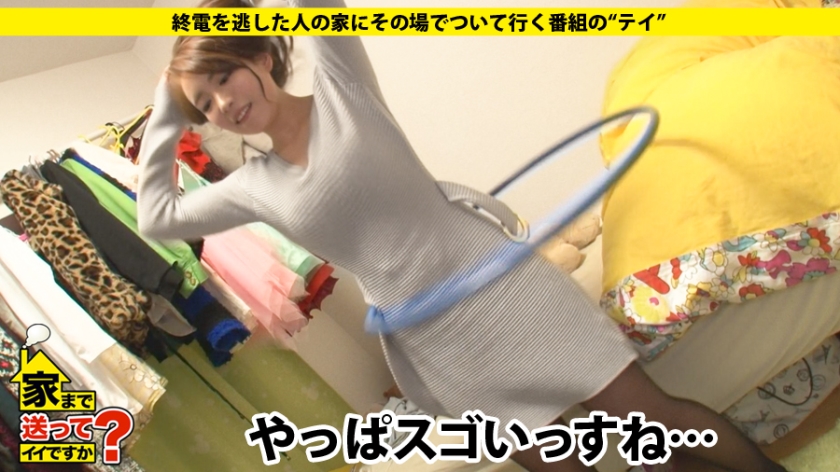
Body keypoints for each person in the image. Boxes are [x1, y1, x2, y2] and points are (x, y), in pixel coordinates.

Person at [136, 0, 789, 470]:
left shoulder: (342, 89)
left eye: (223, 78)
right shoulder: (252, 186)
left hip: (504, 288)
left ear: (258, 57)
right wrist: (167, 109)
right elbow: (156, 217)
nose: (222, 104)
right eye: (205, 103)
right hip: (436, 340)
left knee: (654, 421)